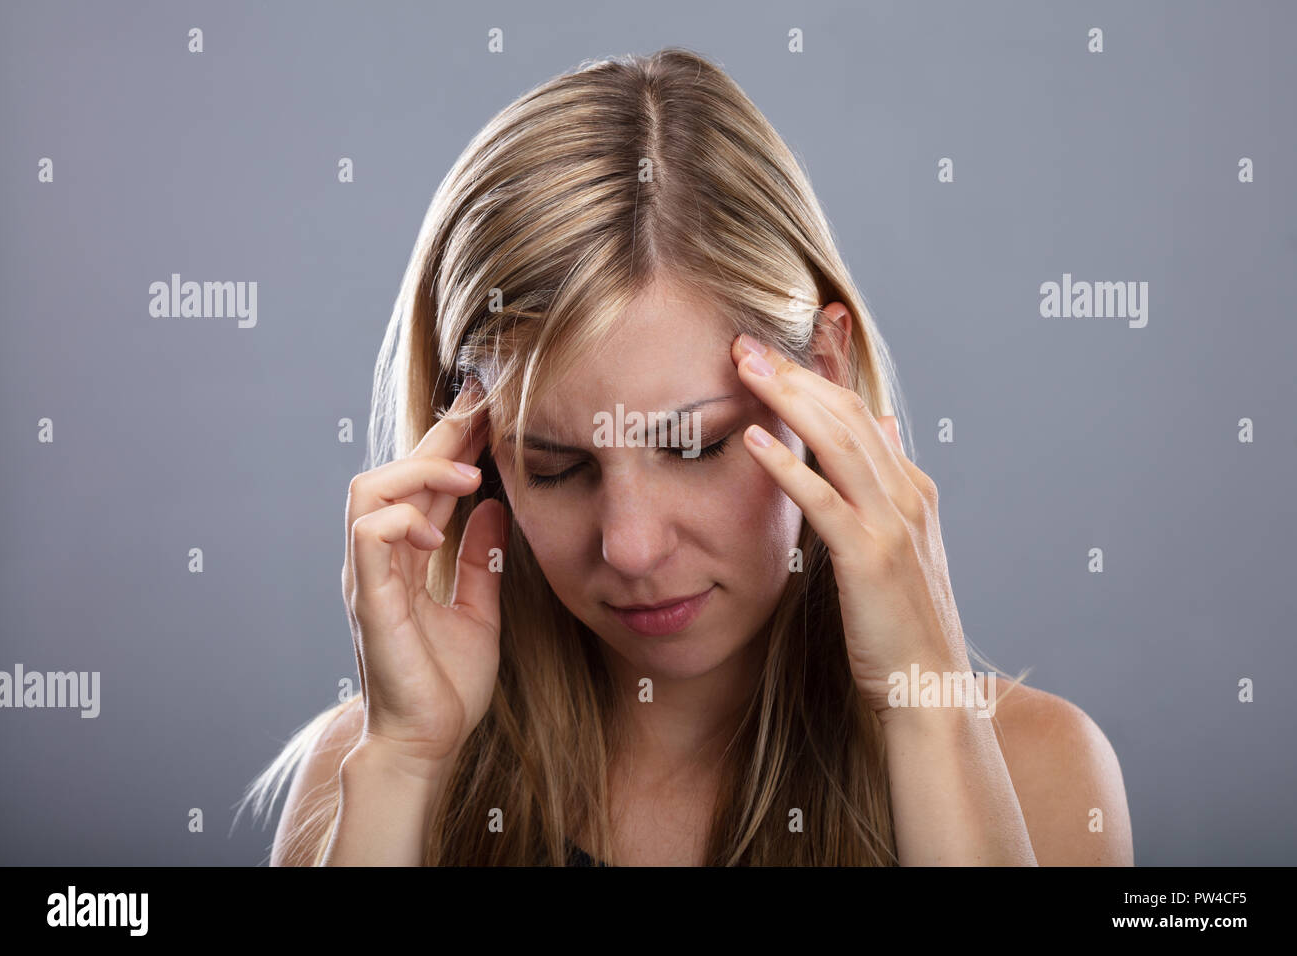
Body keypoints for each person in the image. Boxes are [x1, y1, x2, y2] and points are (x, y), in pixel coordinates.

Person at [234, 47, 1133, 866]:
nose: (628, 546)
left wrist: (927, 706)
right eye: (555, 466)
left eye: (694, 446)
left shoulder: (1039, 777)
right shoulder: (366, 774)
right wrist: (405, 766)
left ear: (824, 376)